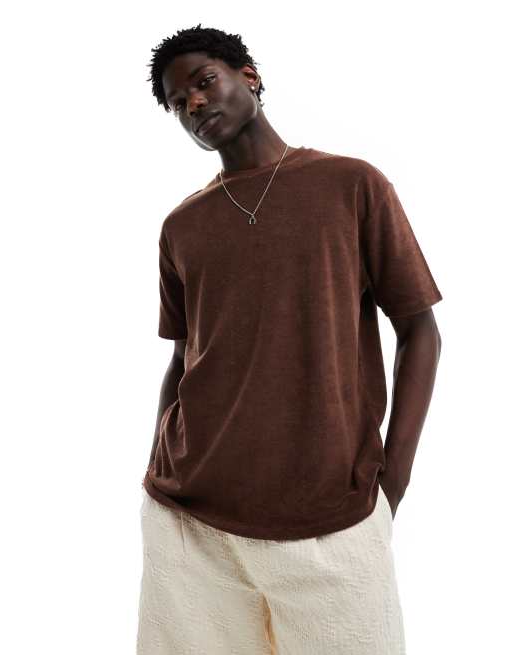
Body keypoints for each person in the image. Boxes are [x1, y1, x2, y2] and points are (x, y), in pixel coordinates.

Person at [136, 23, 443, 655]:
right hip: (191, 525)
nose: (194, 104)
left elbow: (419, 330)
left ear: (249, 76)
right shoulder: (182, 227)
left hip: (331, 518)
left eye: (204, 81)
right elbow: (183, 358)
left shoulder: (351, 185)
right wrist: (159, 457)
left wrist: (394, 480)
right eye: (177, 102)